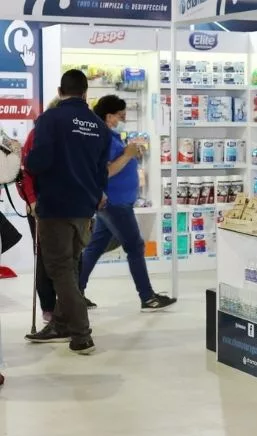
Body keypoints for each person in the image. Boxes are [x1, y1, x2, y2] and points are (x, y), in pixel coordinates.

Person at [23, 69, 111, 354]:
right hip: (84, 208)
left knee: (59, 269)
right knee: (70, 266)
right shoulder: (98, 126)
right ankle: (60, 324)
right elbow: (101, 172)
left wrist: (26, 161)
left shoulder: (50, 119)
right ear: (86, 93)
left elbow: (38, 161)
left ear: (60, 92)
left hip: (56, 206)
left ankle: (81, 334)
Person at [78, 95, 176, 312]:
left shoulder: (109, 136)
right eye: (120, 116)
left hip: (114, 203)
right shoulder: (102, 138)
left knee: (95, 247)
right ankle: (147, 297)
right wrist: (127, 155)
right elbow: (105, 172)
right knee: (135, 246)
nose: (123, 120)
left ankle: (76, 293)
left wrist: (129, 153)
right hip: (115, 203)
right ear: (109, 116)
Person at [17, 98, 97, 323]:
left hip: (75, 205)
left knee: (74, 257)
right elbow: (25, 172)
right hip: (44, 206)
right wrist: (32, 200)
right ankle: (49, 307)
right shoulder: (37, 135)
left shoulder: (79, 135)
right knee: (47, 258)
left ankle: (70, 304)